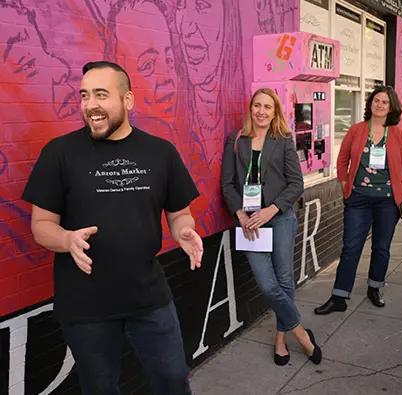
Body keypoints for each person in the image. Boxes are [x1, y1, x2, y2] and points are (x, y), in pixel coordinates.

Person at [21, 61, 203, 395]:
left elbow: (180, 214)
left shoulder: (160, 152)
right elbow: (41, 225)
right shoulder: (59, 153)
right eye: (85, 95)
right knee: (100, 388)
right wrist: (66, 239)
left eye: (101, 95)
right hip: (85, 304)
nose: (90, 105)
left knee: (174, 382)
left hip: (148, 297)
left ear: (128, 100)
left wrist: (183, 231)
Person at [221, 87, 322, 366]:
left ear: (275, 111)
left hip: (279, 218)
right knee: (267, 284)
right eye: (257, 106)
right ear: (250, 109)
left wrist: (271, 210)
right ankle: (300, 333)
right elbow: (227, 183)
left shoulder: (283, 140)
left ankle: (280, 339)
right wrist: (240, 214)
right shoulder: (237, 140)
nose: (261, 111)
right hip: (250, 222)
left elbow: (296, 184)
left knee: (285, 280)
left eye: (267, 106)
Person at [315, 86, 402, 315]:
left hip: (388, 202)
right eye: (376, 100)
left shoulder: (397, 134)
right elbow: (341, 162)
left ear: (391, 108)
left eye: (385, 102)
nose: (379, 105)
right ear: (370, 103)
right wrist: (345, 187)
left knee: (381, 248)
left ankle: (375, 288)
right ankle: (339, 297)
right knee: (351, 247)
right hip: (358, 200)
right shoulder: (356, 130)